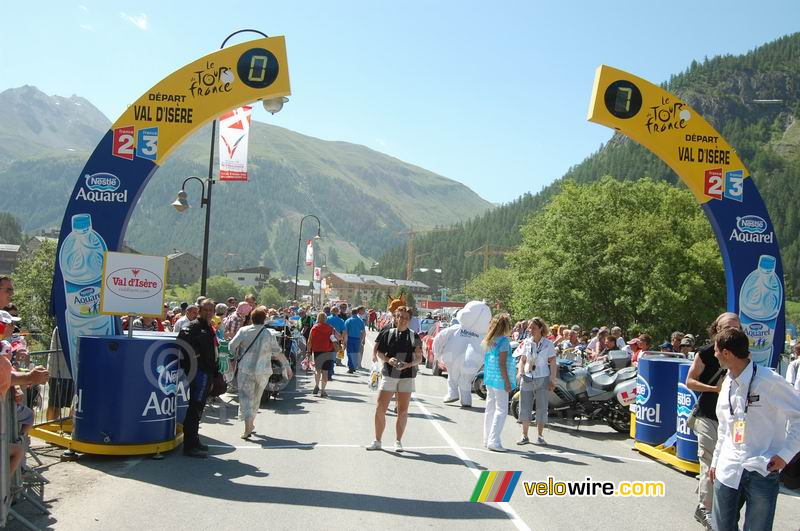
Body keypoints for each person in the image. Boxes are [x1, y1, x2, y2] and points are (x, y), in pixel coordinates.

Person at [710, 327, 800, 531]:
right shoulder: (727, 383)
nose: (714, 355)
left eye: (716, 351)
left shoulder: (769, 381)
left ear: (726, 353)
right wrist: (715, 461)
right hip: (728, 469)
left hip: (762, 468)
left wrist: (786, 454)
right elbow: (725, 428)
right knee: (720, 527)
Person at [686, 312, 740, 529]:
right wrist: (714, 389)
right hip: (708, 416)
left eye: (737, 328)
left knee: (730, 464)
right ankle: (705, 509)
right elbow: (690, 381)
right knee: (709, 461)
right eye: (728, 327)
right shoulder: (707, 353)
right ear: (717, 330)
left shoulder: (744, 354)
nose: (733, 331)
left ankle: (718, 508)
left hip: (734, 420)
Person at [367, 305, 423, 452]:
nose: (403, 320)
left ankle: (398, 441)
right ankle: (377, 441)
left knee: (402, 411)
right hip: (389, 374)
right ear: (396, 317)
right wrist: (388, 359)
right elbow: (379, 352)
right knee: (380, 408)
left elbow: (419, 358)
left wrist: (409, 364)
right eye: (400, 317)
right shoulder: (388, 333)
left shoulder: (414, 336)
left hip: (407, 376)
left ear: (409, 320)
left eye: (406, 318)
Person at [229, 306, 288, 439]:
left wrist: (235, 356)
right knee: (256, 398)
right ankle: (250, 425)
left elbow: (231, 345)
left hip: (245, 369)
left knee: (246, 398)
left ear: (251, 318)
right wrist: (287, 367)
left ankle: (247, 428)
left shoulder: (243, 330)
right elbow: (277, 352)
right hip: (263, 370)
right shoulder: (268, 334)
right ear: (264, 319)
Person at [177, 299, 219, 458]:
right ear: (199, 311)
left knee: (199, 408)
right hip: (198, 372)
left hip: (207, 371)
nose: (208, 312)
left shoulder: (207, 327)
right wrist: (196, 357)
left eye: (211, 310)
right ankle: (189, 446)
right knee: (194, 408)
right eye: (205, 310)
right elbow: (182, 341)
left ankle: (194, 441)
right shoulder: (193, 326)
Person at [432, 301, 491, 407]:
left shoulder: (460, 330)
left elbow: (439, 339)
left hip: (455, 356)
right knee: (460, 377)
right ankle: (463, 398)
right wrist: (437, 354)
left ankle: (455, 394)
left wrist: (437, 354)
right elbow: (439, 338)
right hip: (461, 358)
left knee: (457, 376)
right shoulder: (463, 330)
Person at [516, 317, 556, 445]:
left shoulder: (548, 344)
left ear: (540, 328)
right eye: (529, 327)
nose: (530, 330)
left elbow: (553, 362)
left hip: (542, 377)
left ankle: (540, 436)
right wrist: (520, 372)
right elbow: (522, 360)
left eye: (533, 327)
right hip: (527, 376)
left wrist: (552, 379)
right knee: (525, 405)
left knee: (541, 407)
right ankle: (524, 435)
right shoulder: (527, 342)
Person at [482, 314, 514, 452]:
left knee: (490, 408)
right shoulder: (504, 341)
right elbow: (502, 363)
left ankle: (487, 438)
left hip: (490, 377)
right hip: (499, 379)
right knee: (501, 410)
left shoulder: (490, 339)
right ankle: (494, 441)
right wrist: (507, 381)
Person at [46, 326, 74, 421]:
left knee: (76, 403)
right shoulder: (60, 328)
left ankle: (72, 427)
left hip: (73, 373)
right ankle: (49, 425)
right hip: (58, 372)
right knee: (55, 405)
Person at [307, 312, 337, 398]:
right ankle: (323, 390)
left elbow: (309, 341)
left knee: (317, 370)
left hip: (317, 352)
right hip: (328, 352)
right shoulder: (330, 328)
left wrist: (308, 352)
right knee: (325, 372)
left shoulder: (314, 328)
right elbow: (337, 337)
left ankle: (316, 386)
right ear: (325, 319)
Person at [343, 308, 366, 373]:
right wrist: (363, 339)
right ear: (357, 313)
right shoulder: (360, 321)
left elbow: (345, 332)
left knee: (349, 353)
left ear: (351, 313)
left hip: (350, 338)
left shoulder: (348, 321)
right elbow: (363, 331)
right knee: (355, 353)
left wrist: (344, 340)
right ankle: (354, 366)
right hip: (357, 339)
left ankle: (351, 367)